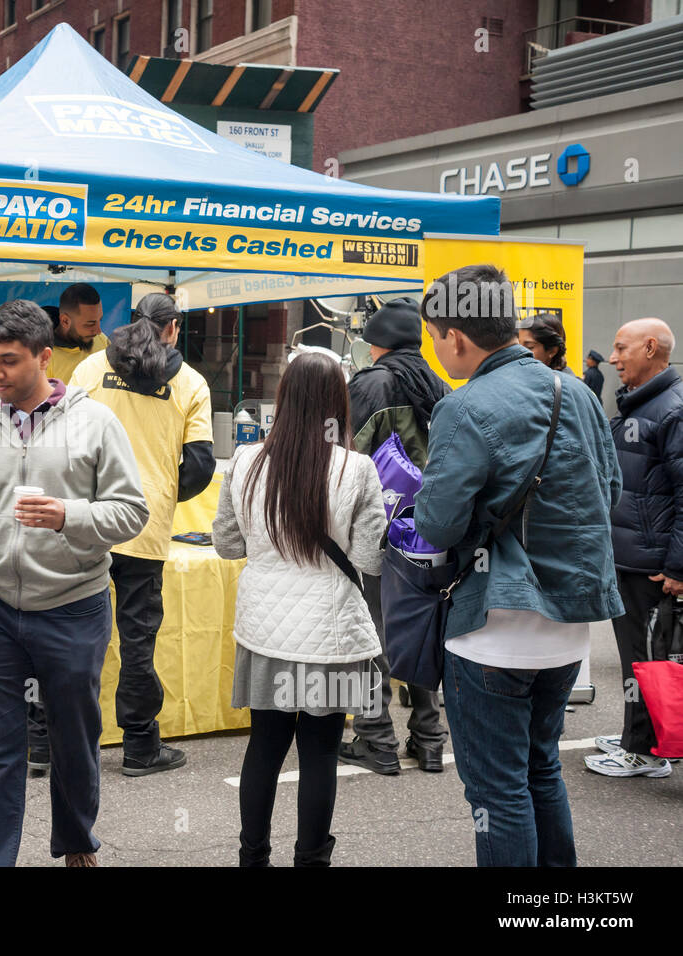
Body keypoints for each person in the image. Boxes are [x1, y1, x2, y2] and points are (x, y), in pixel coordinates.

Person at [0, 299, 148, 867]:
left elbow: (132, 512)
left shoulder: (97, 423)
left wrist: (70, 516)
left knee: (72, 741)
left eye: (9, 361)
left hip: (73, 607)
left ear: (45, 357)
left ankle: (75, 841)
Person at [415, 264, 622, 866]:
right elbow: (607, 492)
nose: (435, 350)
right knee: (541, 769)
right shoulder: (577, 391)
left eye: (435, 336)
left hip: (494, 627)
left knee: (496, 791)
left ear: (455, 335)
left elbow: (437, 524)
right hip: (569, 628)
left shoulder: (466, 404)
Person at [213, 351, 386, 867]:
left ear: (284, 398)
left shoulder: (245, 461)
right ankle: (312, 859)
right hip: (330, 635)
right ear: (338, 402)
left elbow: (226, 544)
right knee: (320, 754)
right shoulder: (357, 468)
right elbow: (369, 560)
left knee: (264, 748)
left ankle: (253, 857)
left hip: (264, 629)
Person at [59, 291, 214, 775]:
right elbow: (201, 466)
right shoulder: (190, 383)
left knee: (65, 633)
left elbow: (63, 439)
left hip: (85, 521)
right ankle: (141, 746)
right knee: (137, 642)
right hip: (144, 528)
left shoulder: (88, 371)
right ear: (173, 329)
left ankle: (46, 740)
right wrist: (163, 494)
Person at [340, 296, 451, 775]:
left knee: (371, 631)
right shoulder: (440, 384)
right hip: (429, 527)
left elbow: (344, 454)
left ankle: (375, 736)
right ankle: (428, 738)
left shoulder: (372, 383)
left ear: (375, 344)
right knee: (419, 628)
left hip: (378, 524)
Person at [587, 318, 682, 777]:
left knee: (649, 658)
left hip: (654, 561)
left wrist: (679, 565)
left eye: (621, 347)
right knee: (638, 655)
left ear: (650, 348)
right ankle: (638, 737)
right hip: (634, 555)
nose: (613, 357)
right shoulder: (643, 405)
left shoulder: (672, 409)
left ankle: (644, 750)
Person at [47, 282, 108, 384]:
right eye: (90, 324)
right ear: (65, 321)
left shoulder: (101, 340)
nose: (98, 331)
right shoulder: (44, 358)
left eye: (99, 320)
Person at [518, 311, 578, 376]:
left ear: (552, 351)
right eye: (517, 345)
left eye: (529, 347)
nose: (519, 352)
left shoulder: (566, 384)